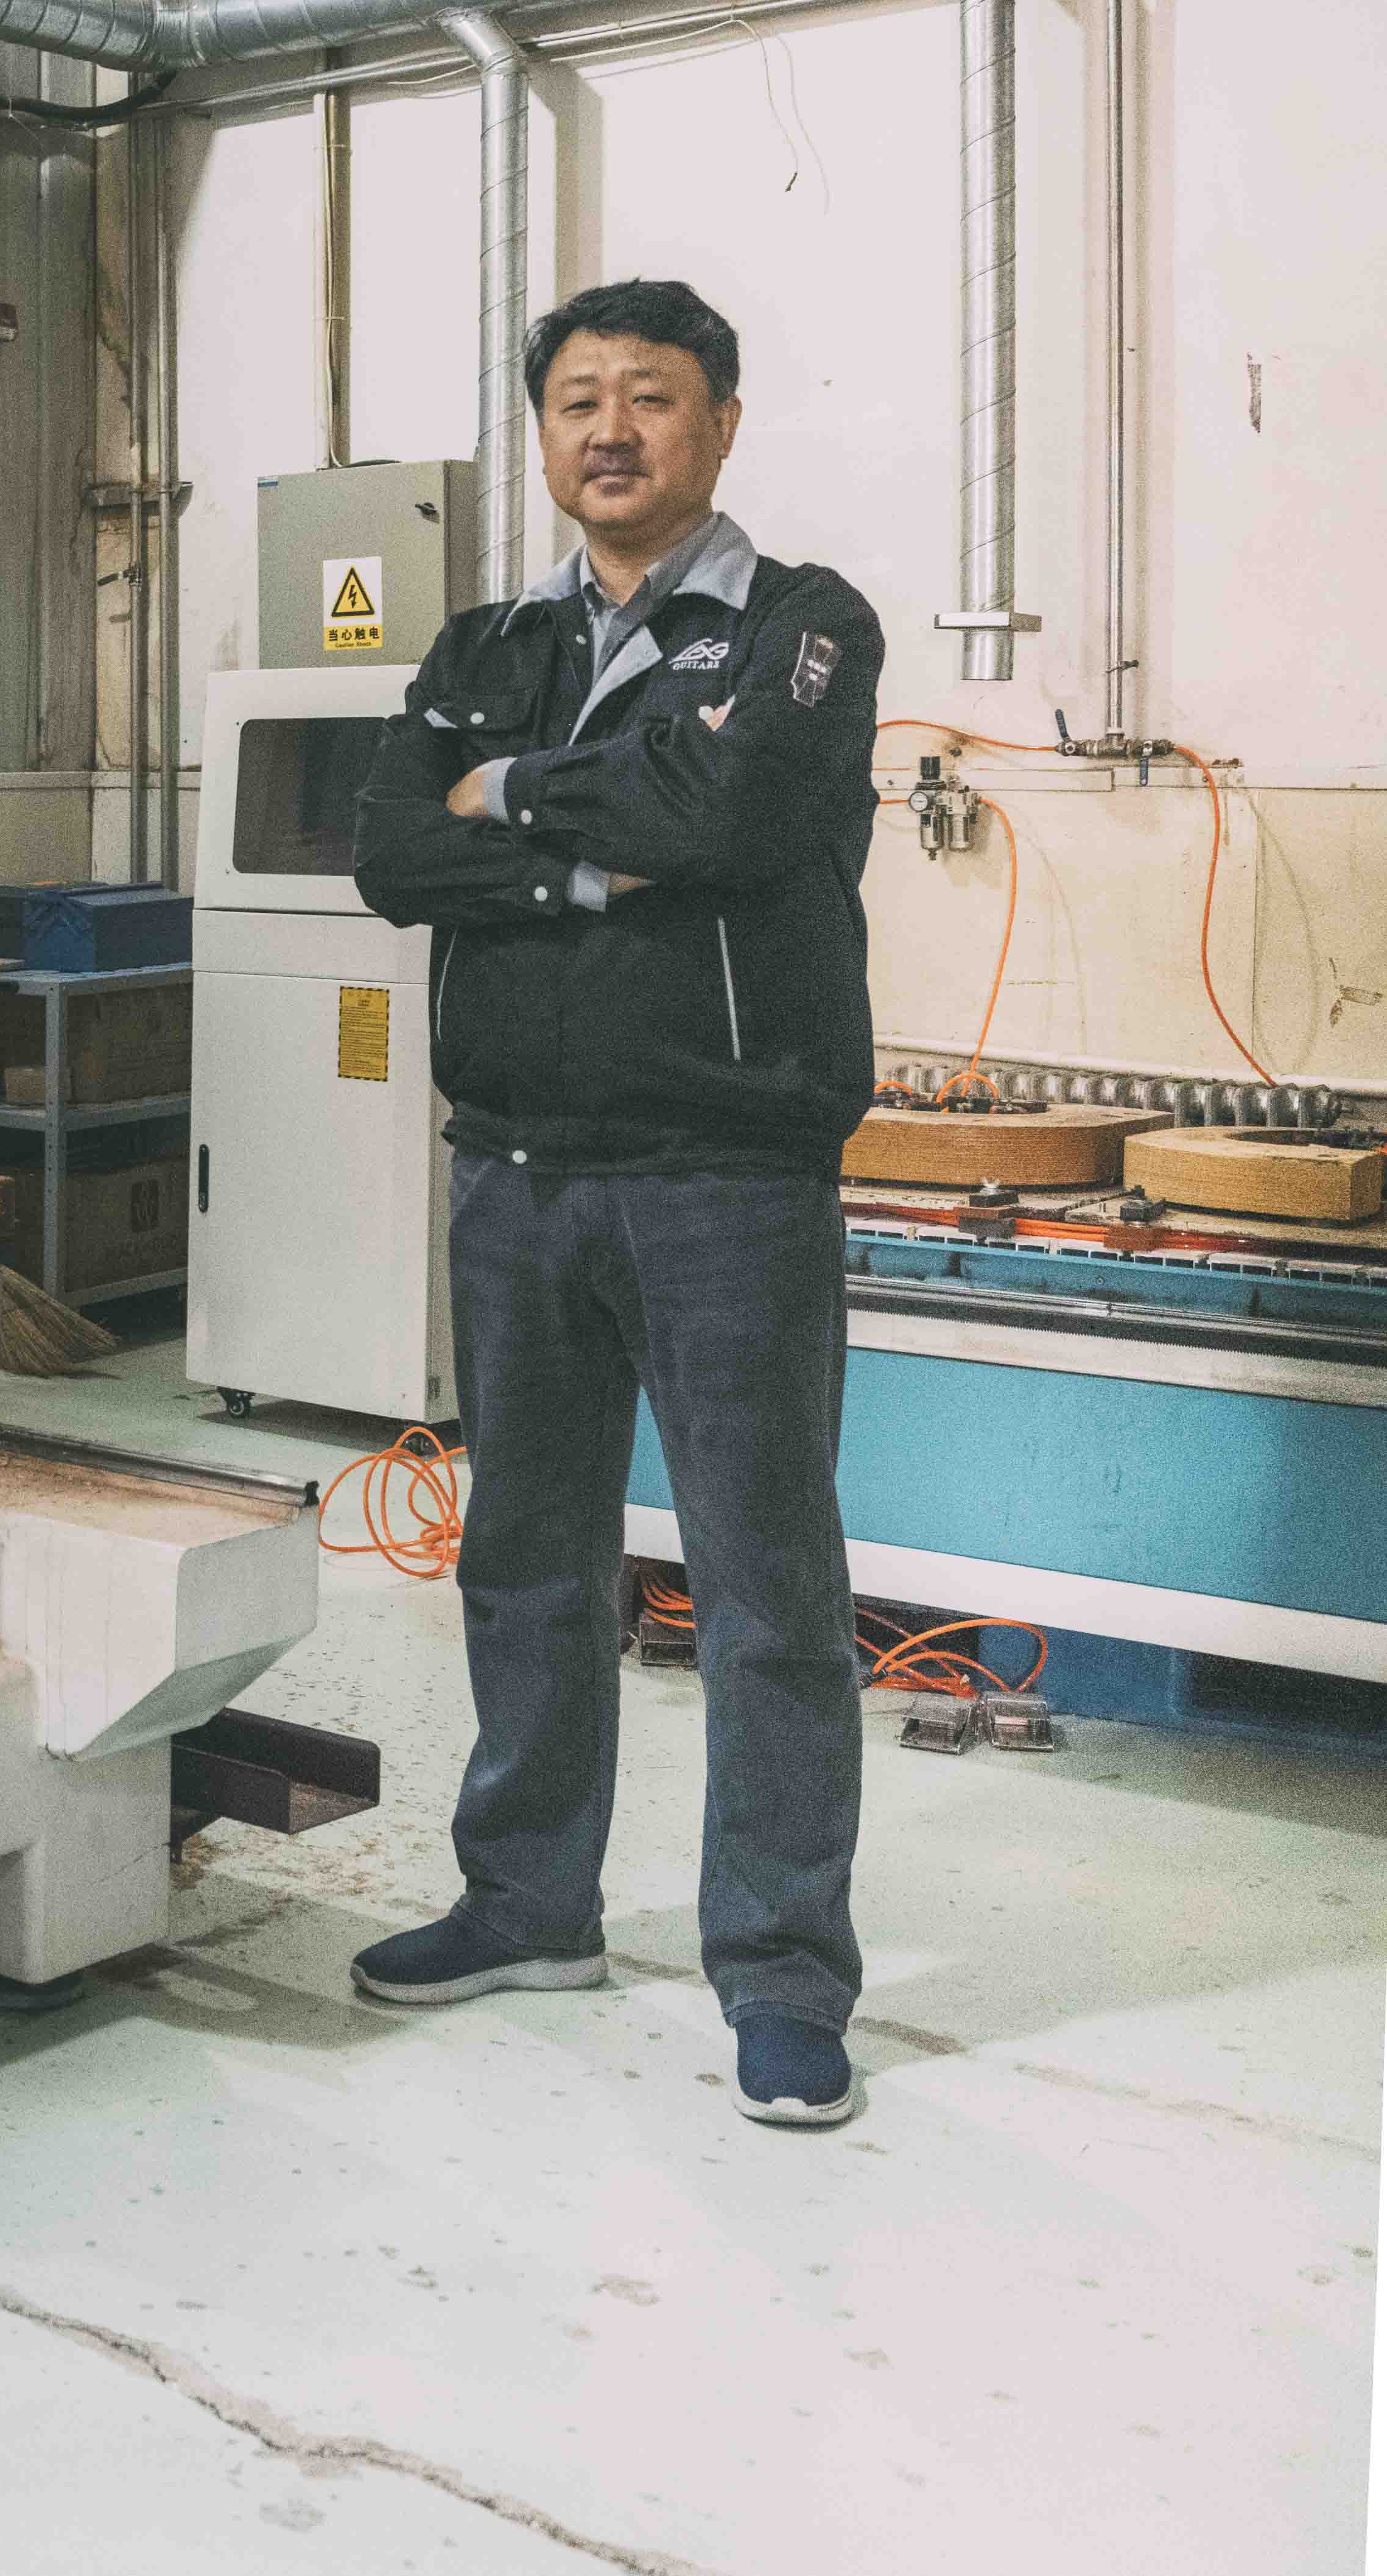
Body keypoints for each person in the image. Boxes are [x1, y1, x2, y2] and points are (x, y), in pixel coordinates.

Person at [345, 276, 882, 2128]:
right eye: (576, 399)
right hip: (514, 1173)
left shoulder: (806, 627)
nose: (609, 430)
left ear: (719, 420)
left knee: (763, 1583)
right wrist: (581, 847)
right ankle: (526, 1898)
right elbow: (389, 849)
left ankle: (785, 1972)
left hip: (728, 1177)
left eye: (649, 397)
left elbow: (725, 819)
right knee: (526, 1559)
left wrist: (517, 805)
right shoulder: (488, 637)